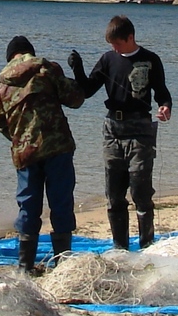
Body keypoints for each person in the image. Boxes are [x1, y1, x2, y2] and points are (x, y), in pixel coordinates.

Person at [70, 15, 172, 251]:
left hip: (141, 131)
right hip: (112, 131)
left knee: (140, 191)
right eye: (111, 44)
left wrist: (165, 106)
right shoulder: (107, 59)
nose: (114, 48)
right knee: (114, 194)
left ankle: (147, 246)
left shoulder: (150, 60)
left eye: (118, 43)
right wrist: (77, 68)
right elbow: (87, 91)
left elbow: (162, 92)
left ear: (130, 37)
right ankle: (120, 249)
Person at [0, 34, 84, 273]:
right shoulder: (48, 69)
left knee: (28, 205)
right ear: (29, 52)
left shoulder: (2, 84)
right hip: (58, 147)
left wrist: (21, 138)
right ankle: (62, 264)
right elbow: (75, 99)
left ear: (10, 57)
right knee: (61, 204)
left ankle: (25, 267)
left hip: (25, 153)